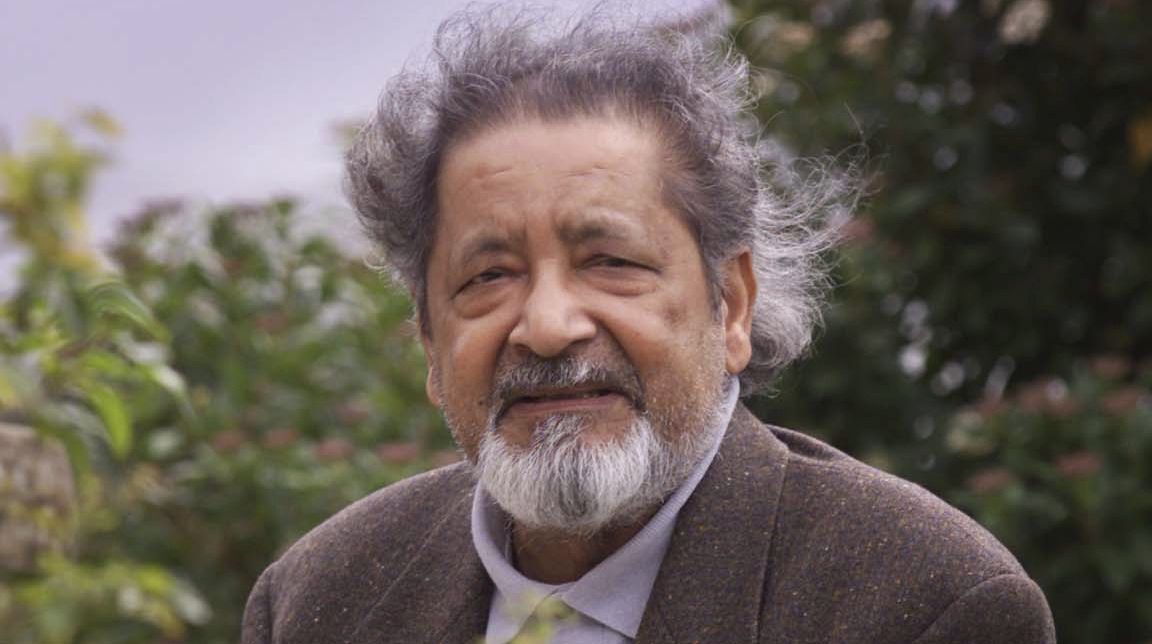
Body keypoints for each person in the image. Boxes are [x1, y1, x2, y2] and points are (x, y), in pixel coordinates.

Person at [241, 5, 1055, 643]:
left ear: (731, 305)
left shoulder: (926, 604)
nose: (548, 326)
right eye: (489, 277)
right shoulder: (318, 601)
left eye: (610, 261)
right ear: (429, 340)